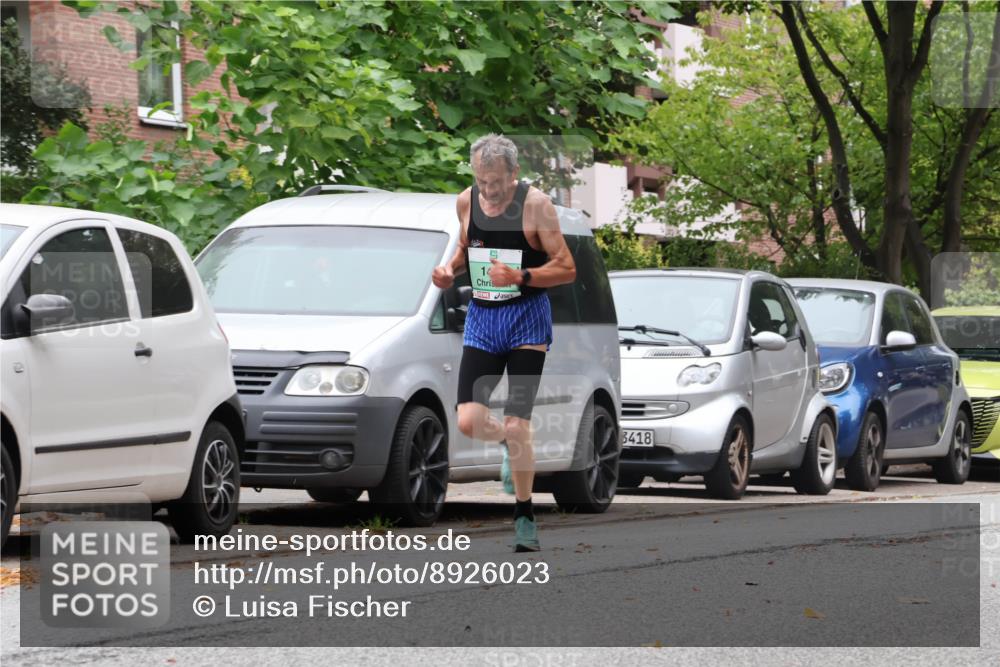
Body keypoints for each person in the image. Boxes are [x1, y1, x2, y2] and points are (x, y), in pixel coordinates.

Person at [431, 134, 576, 552]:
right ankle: (509, 446)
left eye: (496, 181)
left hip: (528, 323)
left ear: (514, 174)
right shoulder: (466, 201)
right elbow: (464, 250)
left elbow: (566, 268)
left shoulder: (536, 206)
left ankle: (525, 514)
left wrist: (521, 277)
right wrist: (448, 272)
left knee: (518, 422)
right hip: (482, 319)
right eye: (482, 180)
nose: (489, 190)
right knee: (468, 421)